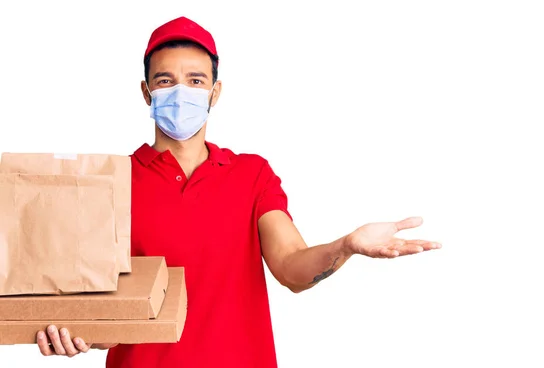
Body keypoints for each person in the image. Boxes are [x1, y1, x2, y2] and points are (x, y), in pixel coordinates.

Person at [35, 16, 441, 367]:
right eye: (166, 80)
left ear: (215, 92)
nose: (182, 93)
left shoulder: (252, 175)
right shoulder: (110, 181)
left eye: (196, 81)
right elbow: (111, 314)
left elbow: (291, 269)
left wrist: (346, 245)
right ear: (146, 92)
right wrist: (79, 332)